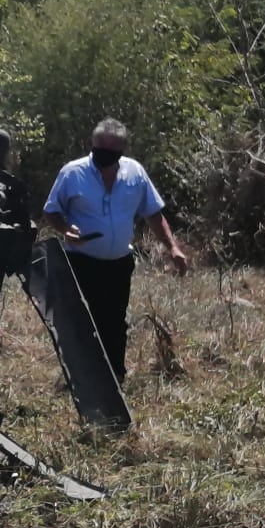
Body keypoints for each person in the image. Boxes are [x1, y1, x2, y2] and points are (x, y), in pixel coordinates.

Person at [42, 118, 188, 382]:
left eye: (112, 149)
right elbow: (51, 211)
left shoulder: (135, 173)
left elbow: (153, 214)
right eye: (101, 148)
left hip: (119, 263)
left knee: (114, 321)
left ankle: (114, 378)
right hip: (80, 261)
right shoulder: (72, 173)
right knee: (80, 320)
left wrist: (173, 248)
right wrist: (65, 230)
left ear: (123, 149)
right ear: (92, 144)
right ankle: (80, 379)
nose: (105, 154)